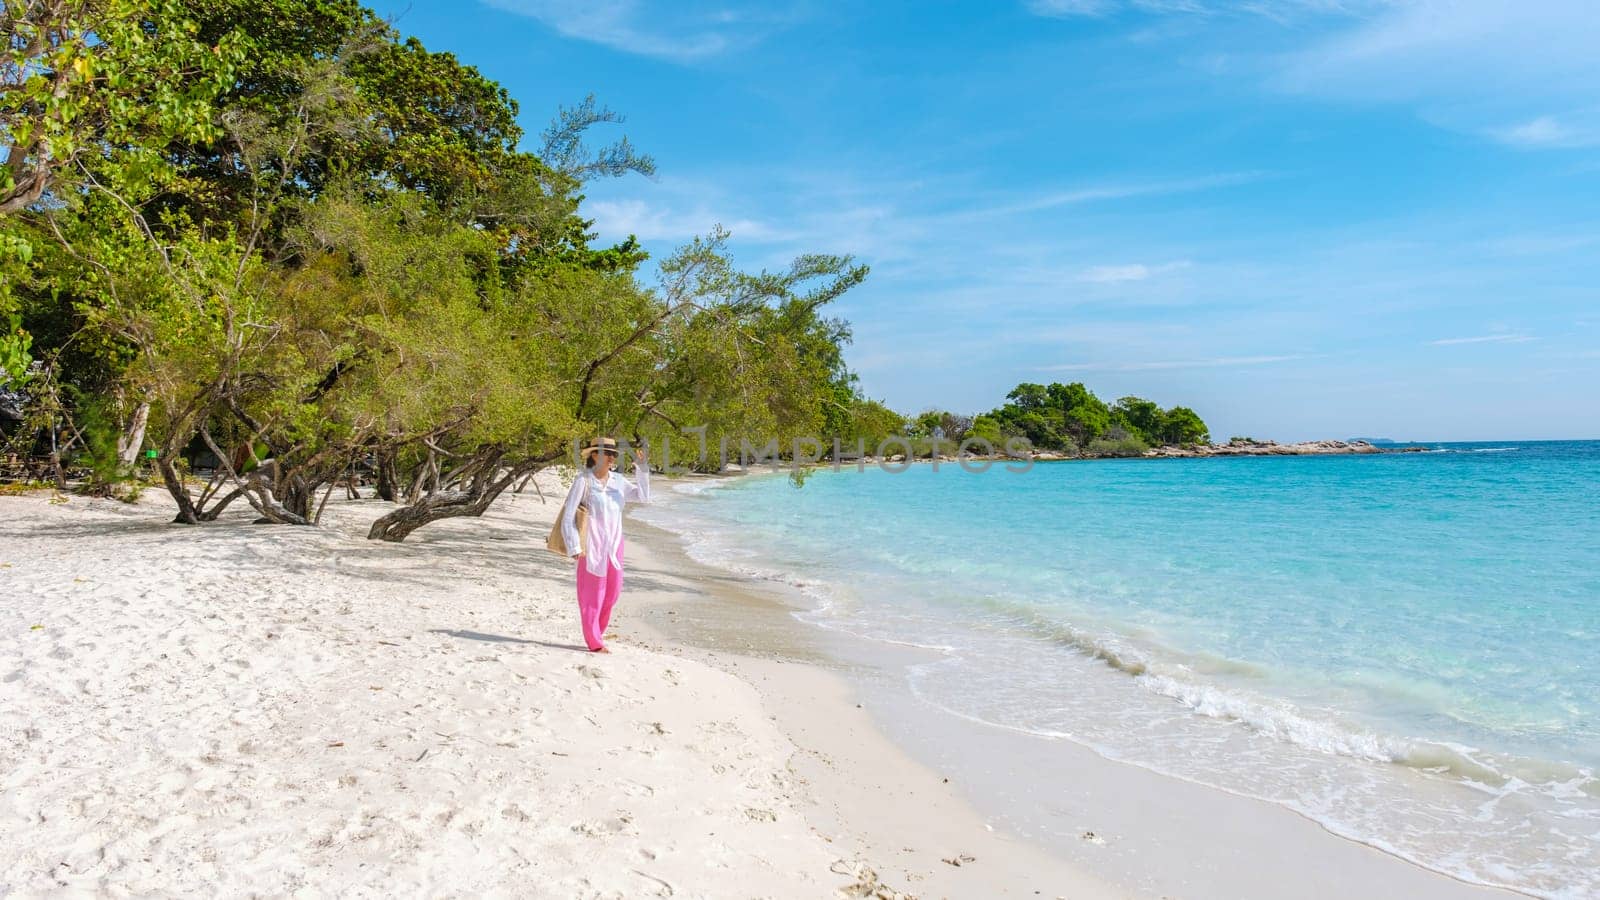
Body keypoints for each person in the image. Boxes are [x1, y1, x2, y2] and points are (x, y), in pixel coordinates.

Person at [557, 437, 650, 652]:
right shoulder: (584, 481)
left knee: (613, 592)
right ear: (595, 455)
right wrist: (574, 546)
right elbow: (568, 514)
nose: (612, 458)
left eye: (614, 454)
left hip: (615, 545)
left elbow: (643, 497)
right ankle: (594, 642)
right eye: (608, 453)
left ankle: (597, 632)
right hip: (591, 545)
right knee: (592, 595)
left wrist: (642, 470)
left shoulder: (618, 481)